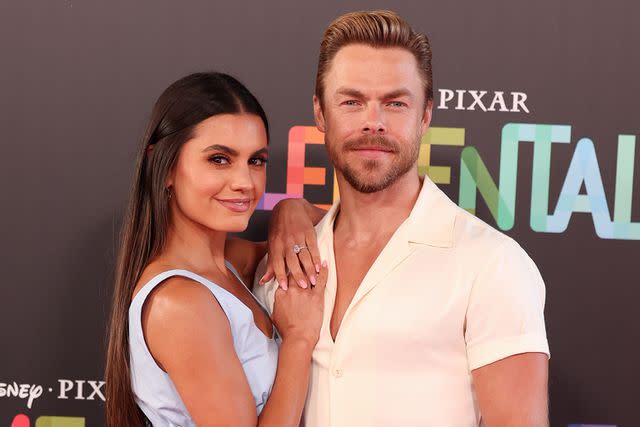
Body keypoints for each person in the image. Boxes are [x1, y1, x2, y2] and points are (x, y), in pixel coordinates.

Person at [255, 10, 550, 427]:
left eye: (395, 103)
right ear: (320, 113)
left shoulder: (492, 263)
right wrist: (287, 210)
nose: (373, 122)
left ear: (425, 115)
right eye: (352, 101)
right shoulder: (284, 262)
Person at [105, 72, 328, 427]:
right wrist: (298, 341)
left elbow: (348, 230)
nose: (243, 183)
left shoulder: (231, 263)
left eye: (256, 161)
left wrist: (290, 209)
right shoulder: (179, 304)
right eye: (219, 159)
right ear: (164, 167)